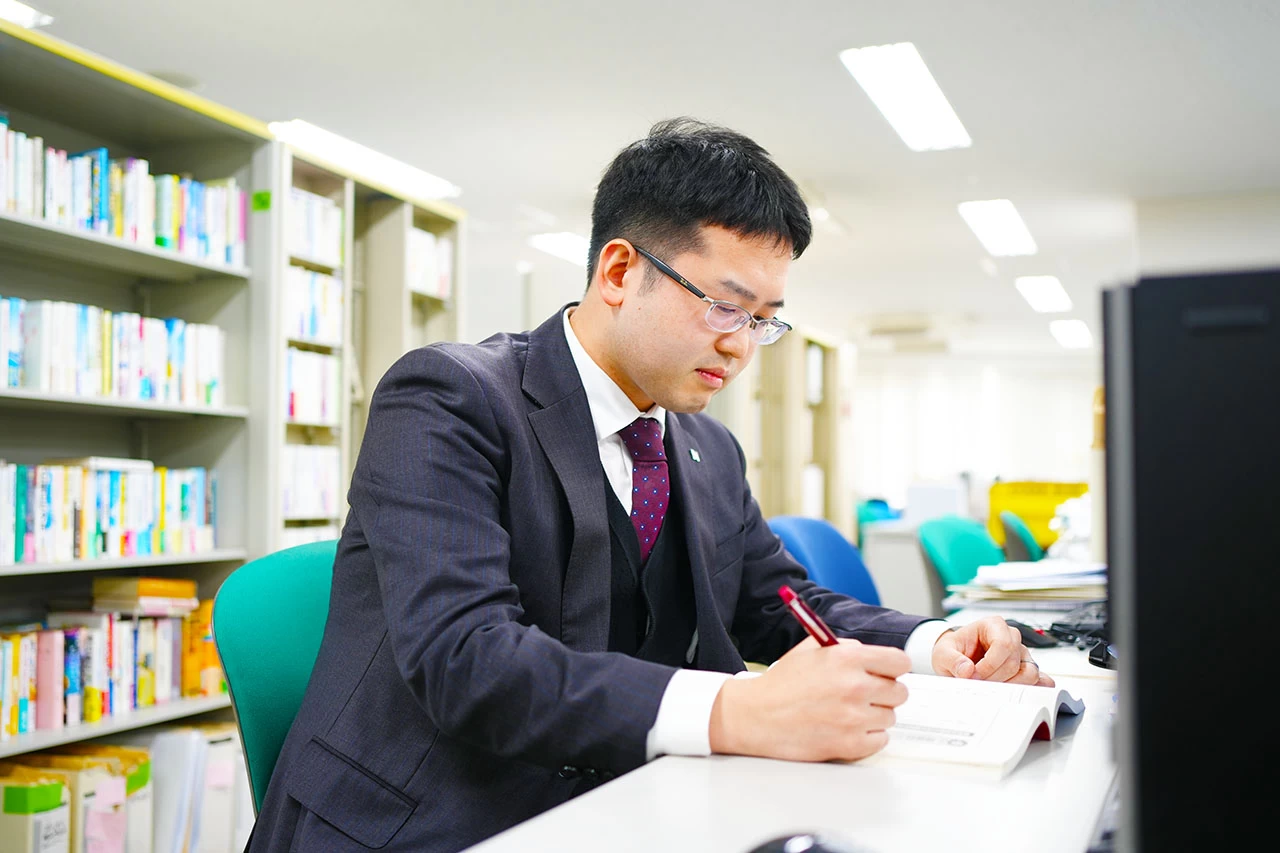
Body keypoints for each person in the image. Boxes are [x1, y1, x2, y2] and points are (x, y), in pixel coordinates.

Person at [247, 117, 1053, 853]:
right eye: (725, 307)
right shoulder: (448, 398)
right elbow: (467, 657)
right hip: (430, 822)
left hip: (626, 803)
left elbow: (777, 601)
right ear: (620, 271)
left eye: (764, 319)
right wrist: (737, 710)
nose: (742, 348)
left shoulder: (705, 445)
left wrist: (933, 645)